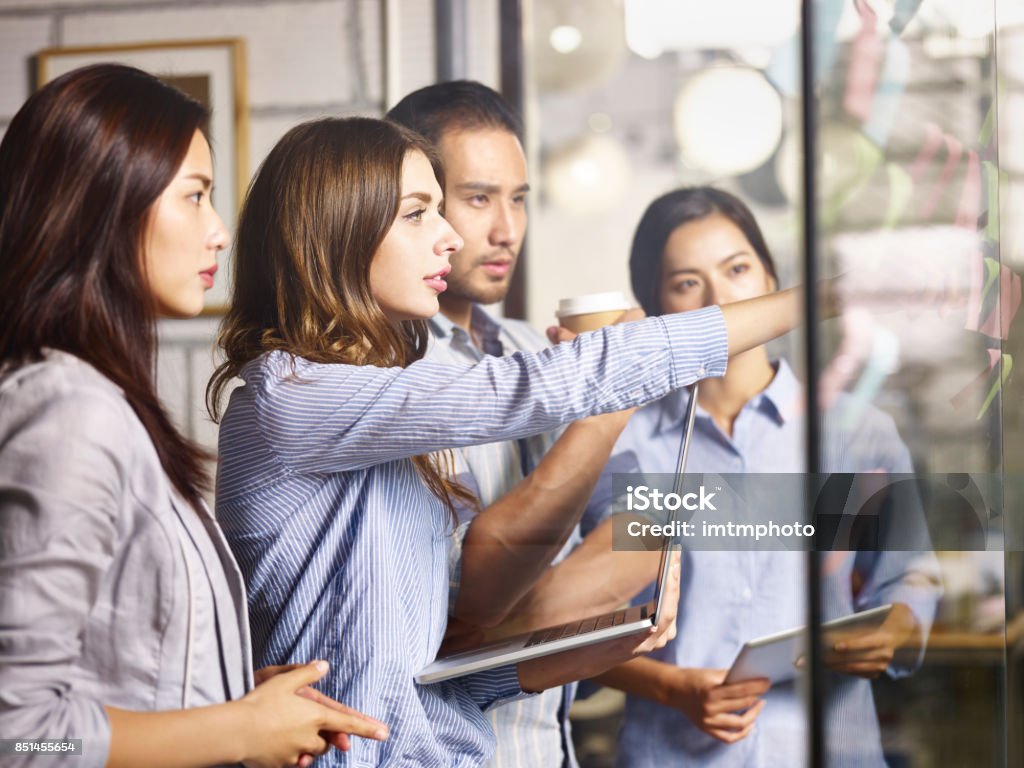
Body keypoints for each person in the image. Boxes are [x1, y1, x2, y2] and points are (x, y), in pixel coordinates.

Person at [207, 118, 813, 766]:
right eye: (423, 212)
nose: (457, 236)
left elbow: (421, 676)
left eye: (513, 199)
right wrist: (817, 301)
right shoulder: (292, 398)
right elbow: (539, 400)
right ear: (337, 230)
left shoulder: (421, 394)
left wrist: (569, 653)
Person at [0, 64, 388, 768]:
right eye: (196, 197)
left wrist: (232, 701)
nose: (218, 234)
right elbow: (19, 734)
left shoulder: (103, 401)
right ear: (106, 206)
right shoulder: (67, 412)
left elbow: (113, 670)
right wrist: (234, 732)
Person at [579, 187, 941, 767]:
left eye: (738, 269)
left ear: (772, 280)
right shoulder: (622, 447)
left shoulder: (856, 434)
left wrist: (892, 630)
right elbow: (576, 634)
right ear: (656, 307)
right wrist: (670, 687)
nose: (721, 301)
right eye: (687, 282)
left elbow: (909, 574)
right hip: (673, 752)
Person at [387, 80, 657, 767]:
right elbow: (458, 614)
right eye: (479, 199)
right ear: (414, 199)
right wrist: (611, 395)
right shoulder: (385, 378)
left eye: (518, 198)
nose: (506, 229)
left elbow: (652, 524)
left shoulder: (539, 350)